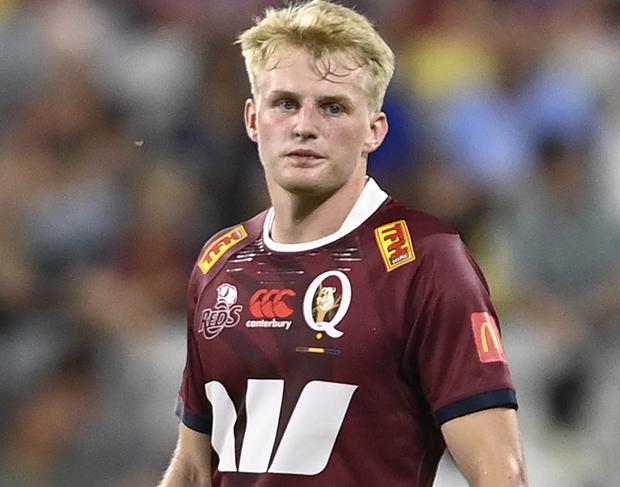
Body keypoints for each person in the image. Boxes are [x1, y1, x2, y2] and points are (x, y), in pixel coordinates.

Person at [159, 1, 527, 486]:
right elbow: (191, 469)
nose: (304, 125)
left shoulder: (425, 260)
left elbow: (499, 472)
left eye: (332, 107)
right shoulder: (220, 262)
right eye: (285, 103)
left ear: (374, 130)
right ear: (253, 119)